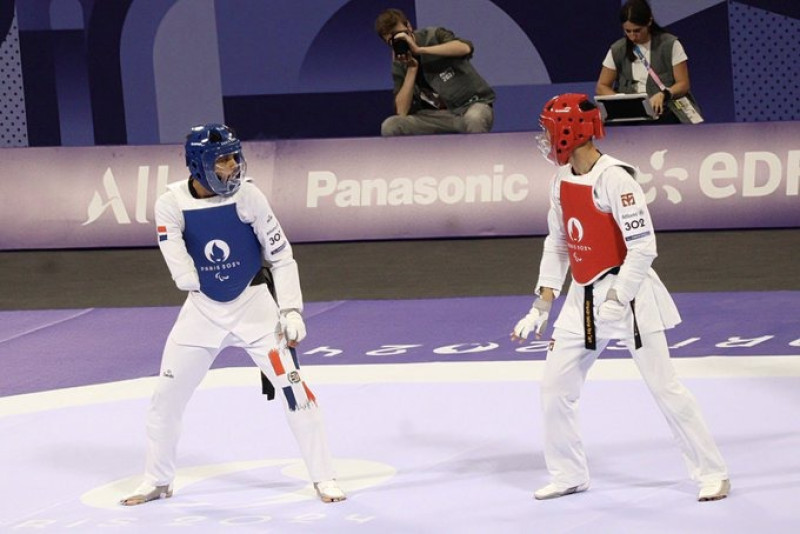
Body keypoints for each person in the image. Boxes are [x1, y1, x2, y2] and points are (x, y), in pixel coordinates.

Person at [511, 94, 730, 502]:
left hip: (629, 297)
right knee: (555, 387)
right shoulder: (562, 180)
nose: (544, 135)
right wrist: (542, 303)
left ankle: (713, 472)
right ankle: (569, 473)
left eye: (549, 128)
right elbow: (558, 243)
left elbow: (643, 247)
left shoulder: (616, 179)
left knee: (666, 389)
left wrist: (619, 297)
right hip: (583, 299)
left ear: (570, 131)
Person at [120, 124, 346, 505]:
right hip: (202, 311)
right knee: (166, 397)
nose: (233, 168)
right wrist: (184, 274)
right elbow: (173, 251)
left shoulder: (249, 196)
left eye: (234, 158)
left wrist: (291, 309)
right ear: (199, 164)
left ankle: (324, 478)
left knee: (297, 392)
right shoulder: (171, 203)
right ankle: (157, 480)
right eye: (223, 161)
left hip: (255, 308)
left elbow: (281, 255)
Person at [374, 8, 495, 136]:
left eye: (400, 35)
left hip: (468, 107)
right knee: (391, 125)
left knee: (474, 118)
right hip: (431, 117)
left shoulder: (434, 35)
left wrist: (420, 50)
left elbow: (464, 48)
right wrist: (411, 69)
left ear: (409, 26)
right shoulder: (399, 63)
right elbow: (402, 111)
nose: (398, 42)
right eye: (392, 41)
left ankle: (477, 156)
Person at [596, 0, 697, 124]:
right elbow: (602, 86)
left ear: (649, 22)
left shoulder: (670, 44)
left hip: (666, 110)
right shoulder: (617, 49)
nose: (632, 36)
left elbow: (683, 84)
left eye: (637, 30)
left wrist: (664, 94)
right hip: (632, 114)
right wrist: (620, 101)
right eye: (628, 31)